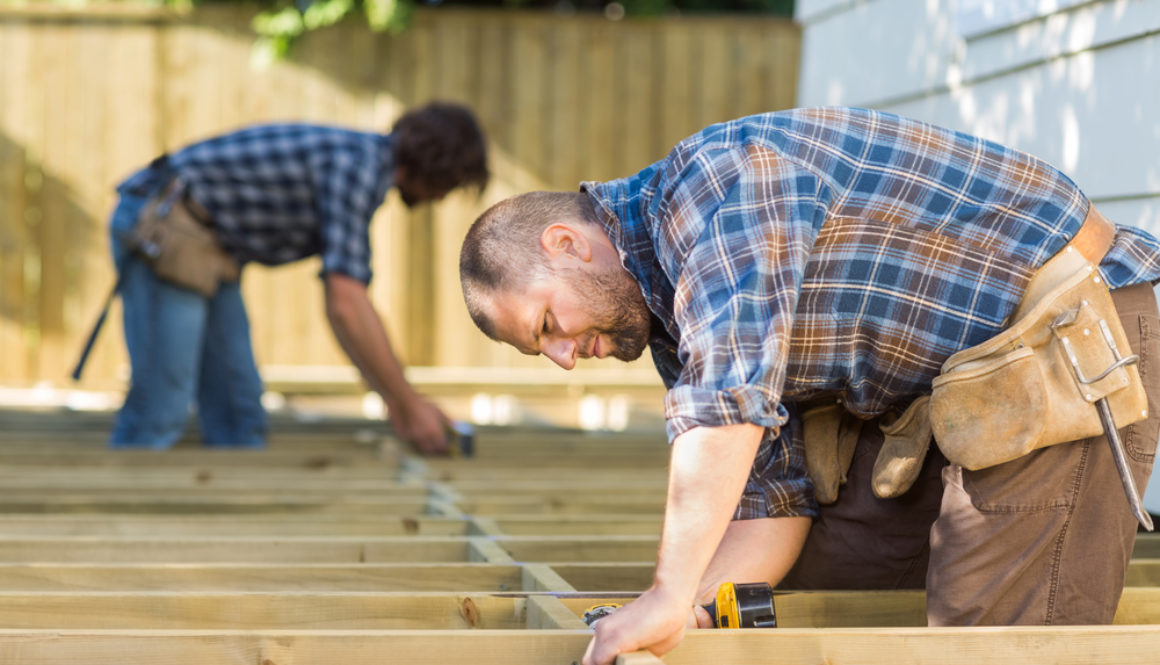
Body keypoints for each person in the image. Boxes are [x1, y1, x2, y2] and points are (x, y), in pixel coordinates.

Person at [458, 107, 1160, 663]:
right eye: (540, 350)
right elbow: (774, 504)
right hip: (959, 397)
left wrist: (668, 589)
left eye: (547, 322)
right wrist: (690, 607)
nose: (562, 359)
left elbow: (728, 398)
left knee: (987, 642)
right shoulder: (674, 325)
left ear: (565, 243)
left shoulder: (712, 187)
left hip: (1061, 346)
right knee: (830, 577)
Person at [100, 101, 488, 453]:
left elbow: (347, 311)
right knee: (161, 408)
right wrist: (406, 404)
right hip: (164, 224)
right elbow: (346, 305)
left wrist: (401, 402)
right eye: (449, 186)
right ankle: (119, 514)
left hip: (211, 243)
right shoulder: (357, 166)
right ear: (436, 165)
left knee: (239, 418)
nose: (440, 199)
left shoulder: (363, 163)